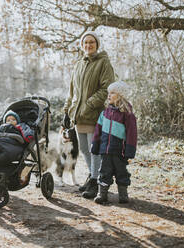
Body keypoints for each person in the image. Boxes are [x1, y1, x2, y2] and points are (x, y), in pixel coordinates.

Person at [63, 30, 115, 198]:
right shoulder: (79, 64)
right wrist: (66, 111)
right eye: (85, 43)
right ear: (82, 46)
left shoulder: (103, 62)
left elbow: (106, 89)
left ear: (97, 44)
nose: (88, 45)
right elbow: (72, 91)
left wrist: (89, 104)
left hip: (94, 114)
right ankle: (93, 177)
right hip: (78, 116)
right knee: (85, 149)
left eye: (91, 42)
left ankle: (95, 181)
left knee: (95, 150)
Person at [90, 81, 137, 204]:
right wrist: (95, 144)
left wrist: (130, 149)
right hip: (105, 150)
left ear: (120, 95)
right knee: (104, 172)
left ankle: (123, 194)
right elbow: (97, 130)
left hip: (119, 151)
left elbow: (132, 133)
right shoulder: (105, 113)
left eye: (112, 93)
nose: (108, 95)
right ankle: (102, 194)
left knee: (122, 172)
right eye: (108, 93)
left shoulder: (127, 114)